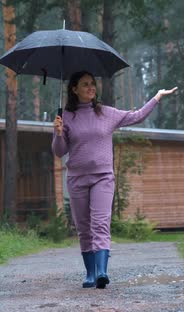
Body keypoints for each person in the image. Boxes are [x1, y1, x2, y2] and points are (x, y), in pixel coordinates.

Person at [52, 70, 177, 289]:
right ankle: (90, 274)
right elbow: (59, 151)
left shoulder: (106, 113)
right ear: (74, 89)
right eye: (85, 84)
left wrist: (157, 96)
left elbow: (136, 116)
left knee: (100, 223)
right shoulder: (66, 117)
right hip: (77, 179)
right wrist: (58, 132)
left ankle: (102, 272)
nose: (91, 87)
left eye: (92, 83)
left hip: (103, 178)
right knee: (83, 227)